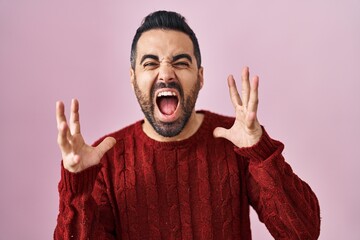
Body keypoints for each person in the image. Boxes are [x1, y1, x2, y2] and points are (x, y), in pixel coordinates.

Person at [54, 10, 320, 240]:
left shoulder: (237, 143)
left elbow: (303, 233)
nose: (167, 74)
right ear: (133, 78)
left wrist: (260, 152)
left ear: (200, 77)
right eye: (151, 63)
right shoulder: (105, 160)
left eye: (181, 63)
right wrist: (78, 187)